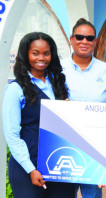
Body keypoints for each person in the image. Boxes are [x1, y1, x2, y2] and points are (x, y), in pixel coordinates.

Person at [2, 32, 74, 198]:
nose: (41, 57)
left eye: (46, 53)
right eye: (35, 53)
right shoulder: (16, 89)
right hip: (27, 167)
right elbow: (11, 135)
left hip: (58, 164)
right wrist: (31, 169)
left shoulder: (59, 83)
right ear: (25, 54)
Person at [61, 18, 106, 197]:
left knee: (92, 194)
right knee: (62, 194)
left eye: (89, 38)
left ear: (95, 42)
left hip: (95, 148)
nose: (84, 41)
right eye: (79, 37)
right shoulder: (57, 69)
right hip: (63, 143)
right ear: (71, 39)